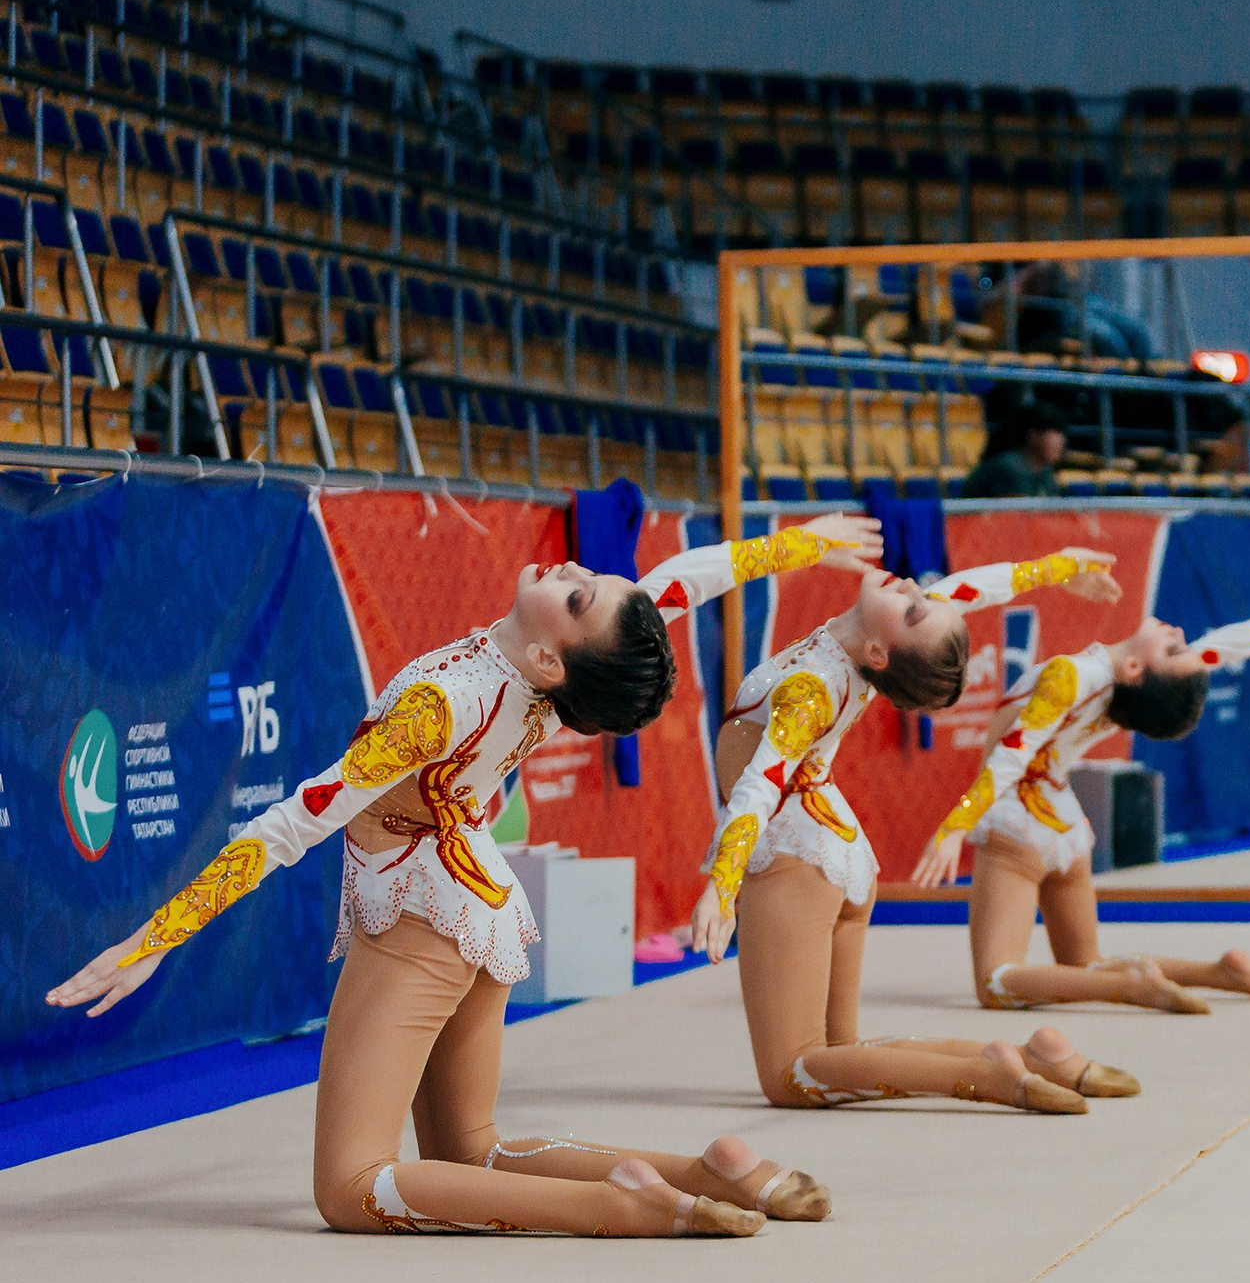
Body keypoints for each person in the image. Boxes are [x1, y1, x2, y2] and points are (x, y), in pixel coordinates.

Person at [45, 515, 881, 1237]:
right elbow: (681, 582)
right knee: (469, 1150)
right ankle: (704, 1171)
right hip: (475, 903)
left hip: (418, 916)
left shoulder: (444, 704)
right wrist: (804, 544)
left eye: (581, 593)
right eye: (591, 576)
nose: (572, 571)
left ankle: (626, 1208)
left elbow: (295, 821)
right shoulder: (560, 680)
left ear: (556, 659)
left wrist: (155, 938)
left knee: (351, 1184)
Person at [693, 546, 1144, 1117]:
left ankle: (988, 1078)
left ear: (880, 652)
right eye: (918, 599)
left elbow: (760, 785)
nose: (912, 587)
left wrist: (722, 881)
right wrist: (1058, 569)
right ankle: (1031, 1059)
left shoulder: (810, 688)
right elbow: (977, 586)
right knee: (838, 1053)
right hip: (832, 854)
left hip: (795, 860)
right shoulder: (865, 650)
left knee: (794, 1073)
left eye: (912, 609)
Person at [911, 596, 1250, 1012]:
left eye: (1174, 647)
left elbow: (1010, 755)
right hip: (1064, 822)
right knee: (1085, 966)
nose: (1181, 634)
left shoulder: (1071, 676)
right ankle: (1218, 973)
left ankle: (1132, 987)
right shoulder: (1134, 690)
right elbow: (1231, 644)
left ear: (1137, 669)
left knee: (996, 983)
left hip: (1016, 825)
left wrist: (954, 827)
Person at [959, 401, 1067, 499]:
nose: (1061, 442)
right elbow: (1018, 515)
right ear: (1033, 435)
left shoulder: (1045, 473)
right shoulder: (1007, 468)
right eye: (1056, 433)